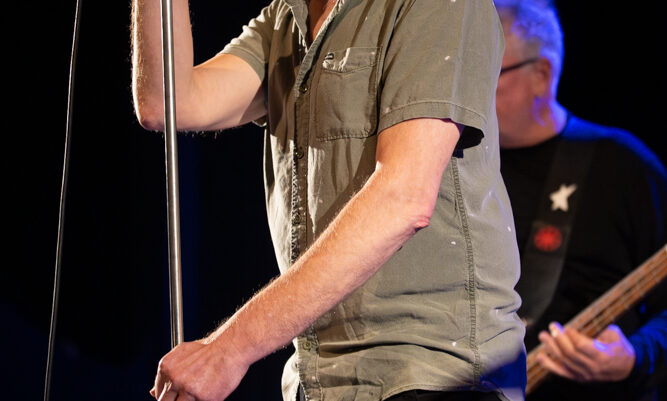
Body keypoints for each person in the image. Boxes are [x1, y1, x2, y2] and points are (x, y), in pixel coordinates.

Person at [131, 0, 527, 400]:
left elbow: (402, 197)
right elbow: (167, 102)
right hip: (323, 381)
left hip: (433, 373)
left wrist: (228, 349)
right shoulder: (286, 19)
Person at [493, 1, 667, 400]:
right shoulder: (451, 167)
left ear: (542, 74)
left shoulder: (622, 166)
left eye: (488, 74)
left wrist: (633, 356)